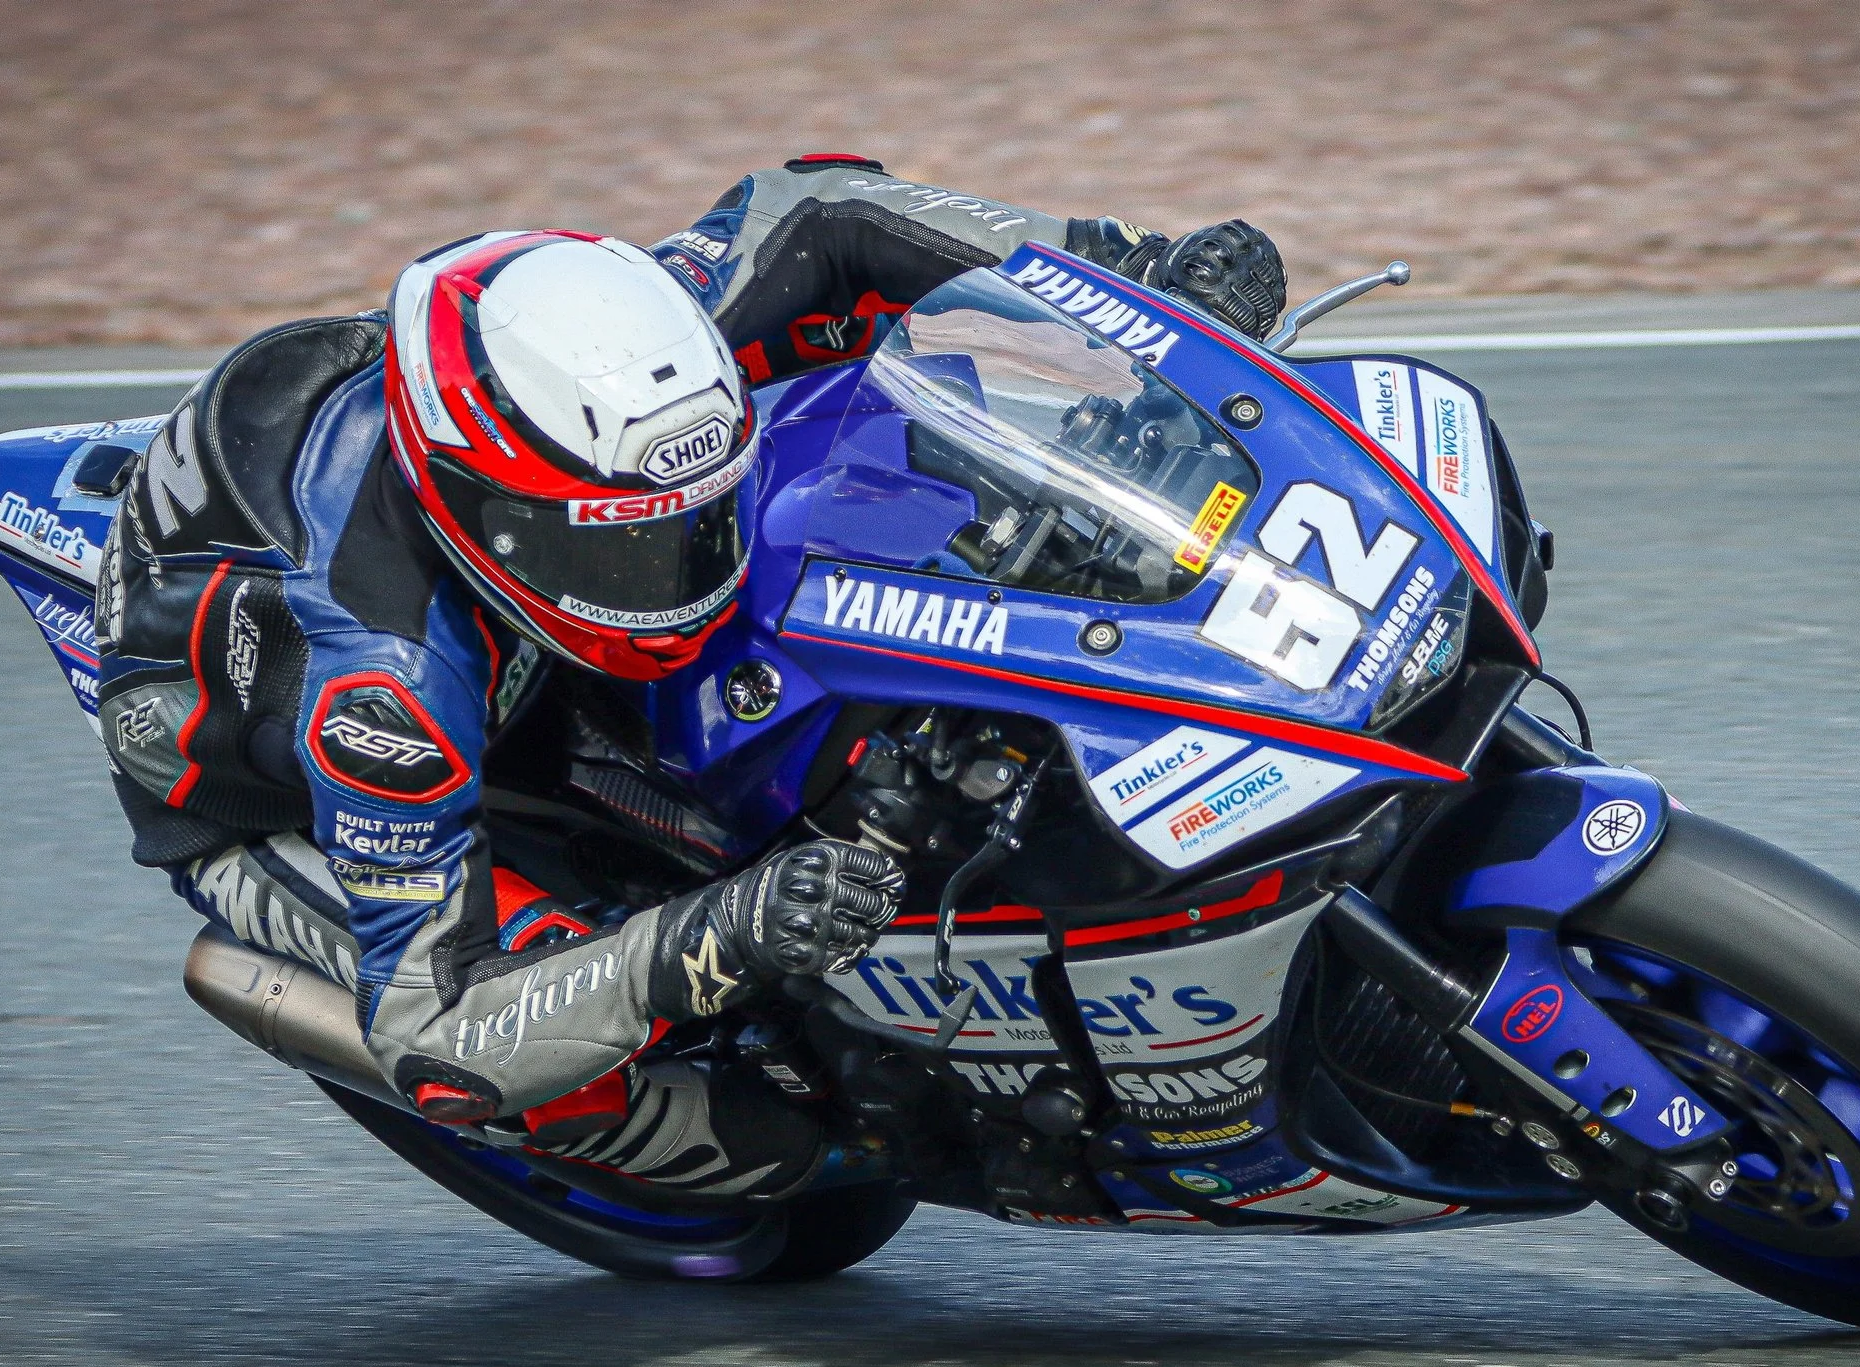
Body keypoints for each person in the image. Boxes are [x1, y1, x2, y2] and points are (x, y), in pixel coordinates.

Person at [95, 156, 1288, 1200]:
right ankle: (753, 1133)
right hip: (261, 804)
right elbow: (439, 1015)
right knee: (648, 1106)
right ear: (486, 509)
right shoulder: (385, 692)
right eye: (616, 544)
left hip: (495, 612)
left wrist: (1137, 280)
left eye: (688, 526)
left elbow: (824, 205)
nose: (668, 573)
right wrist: (717, 937)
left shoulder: (647, 344)